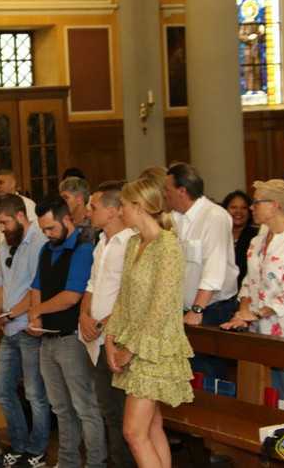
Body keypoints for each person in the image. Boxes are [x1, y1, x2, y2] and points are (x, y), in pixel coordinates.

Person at [104, 178, 193, 468]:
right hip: (134, 344)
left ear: (139, 207)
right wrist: (110, 339)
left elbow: (161, 308)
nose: (120, 211)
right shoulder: (134, 243)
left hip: (156, 350)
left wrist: (130, 350)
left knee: (133, 432)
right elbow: (123, 298)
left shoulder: (167, 245)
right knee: (151, 428)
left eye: (123, 206)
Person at [221, 179, 284, 405]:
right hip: (262, 329)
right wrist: (243, 311)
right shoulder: (257, 242)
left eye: (256, 202)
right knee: (274, 395)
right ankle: (281, 429)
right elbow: (248, 281)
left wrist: (255, 313)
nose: (251, 207)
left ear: (274, 205)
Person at [27, 196, 106, 468]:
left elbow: (72, 296)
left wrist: (37, 311)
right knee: (60, 408)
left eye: (51, 228)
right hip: (47, 339)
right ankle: (68, 461)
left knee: (85, 407)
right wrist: (36, 317)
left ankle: (95, 463)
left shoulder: (83, 250)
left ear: (66, 219)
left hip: (71, 339)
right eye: (43, 230)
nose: (48, 234)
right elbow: (36, 286)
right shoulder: (46, 249)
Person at [0, 194, 50, 468]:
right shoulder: (7, 243)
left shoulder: (39, 242)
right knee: (1, 390)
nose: (2, 229)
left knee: (35, 394)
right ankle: (19, 444)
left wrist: (12, 312)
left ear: (21, 216)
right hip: (9, 327)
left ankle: (37, 450)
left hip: (29, 327)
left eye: (4, 223)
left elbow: (38, 287)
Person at [78, 181, 135, 468]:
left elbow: (130, 295)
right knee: (109, 410)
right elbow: (91, 284)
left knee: (125, 413)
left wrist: (102, 325)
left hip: (119, 338)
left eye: (93, 207)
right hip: (96, 337)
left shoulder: (132, 243)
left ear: (112, 211)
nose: (88, 212)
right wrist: (83, 316)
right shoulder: (101, 242)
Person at [163, 163, 238, 379]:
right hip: (182, 309)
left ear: (182, 190)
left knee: (205, 371)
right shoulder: (174, 218)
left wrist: (197, 309)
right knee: (182, 372)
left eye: (167, 189)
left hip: (211, 308)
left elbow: (214, 268)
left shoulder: (214, 216)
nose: (164, 194)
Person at [0, 169, 37, 256]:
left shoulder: (27, 204)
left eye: (1, 182)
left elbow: (34, 230)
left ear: (12, 183)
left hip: (22, 252)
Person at [221, 190, 258, 289]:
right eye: (233, 207)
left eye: (243, 208)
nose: (238, 211)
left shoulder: (256, 236)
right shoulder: (217, 234)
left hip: (246, 290)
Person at [60, 176, 98, 245]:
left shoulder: (94, 223)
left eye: (66, 198)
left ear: (80, 199)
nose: (62, 202)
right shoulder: (63, 223)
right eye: (61, 198)